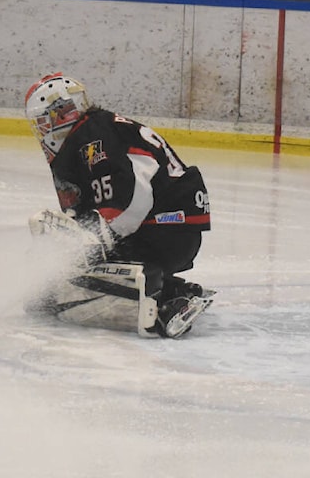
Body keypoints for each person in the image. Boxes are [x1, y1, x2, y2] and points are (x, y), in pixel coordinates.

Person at [24, 72, 213, 338]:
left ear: (61, 114)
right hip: (168, 230)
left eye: (43, 121)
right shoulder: (95, 130)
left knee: (82, 266)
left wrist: (98, 234)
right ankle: (174, 291)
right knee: (73, 263)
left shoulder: (93, 135)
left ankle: (161, 300)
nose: (42, 130)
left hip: (165, 228)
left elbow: (133, 195)